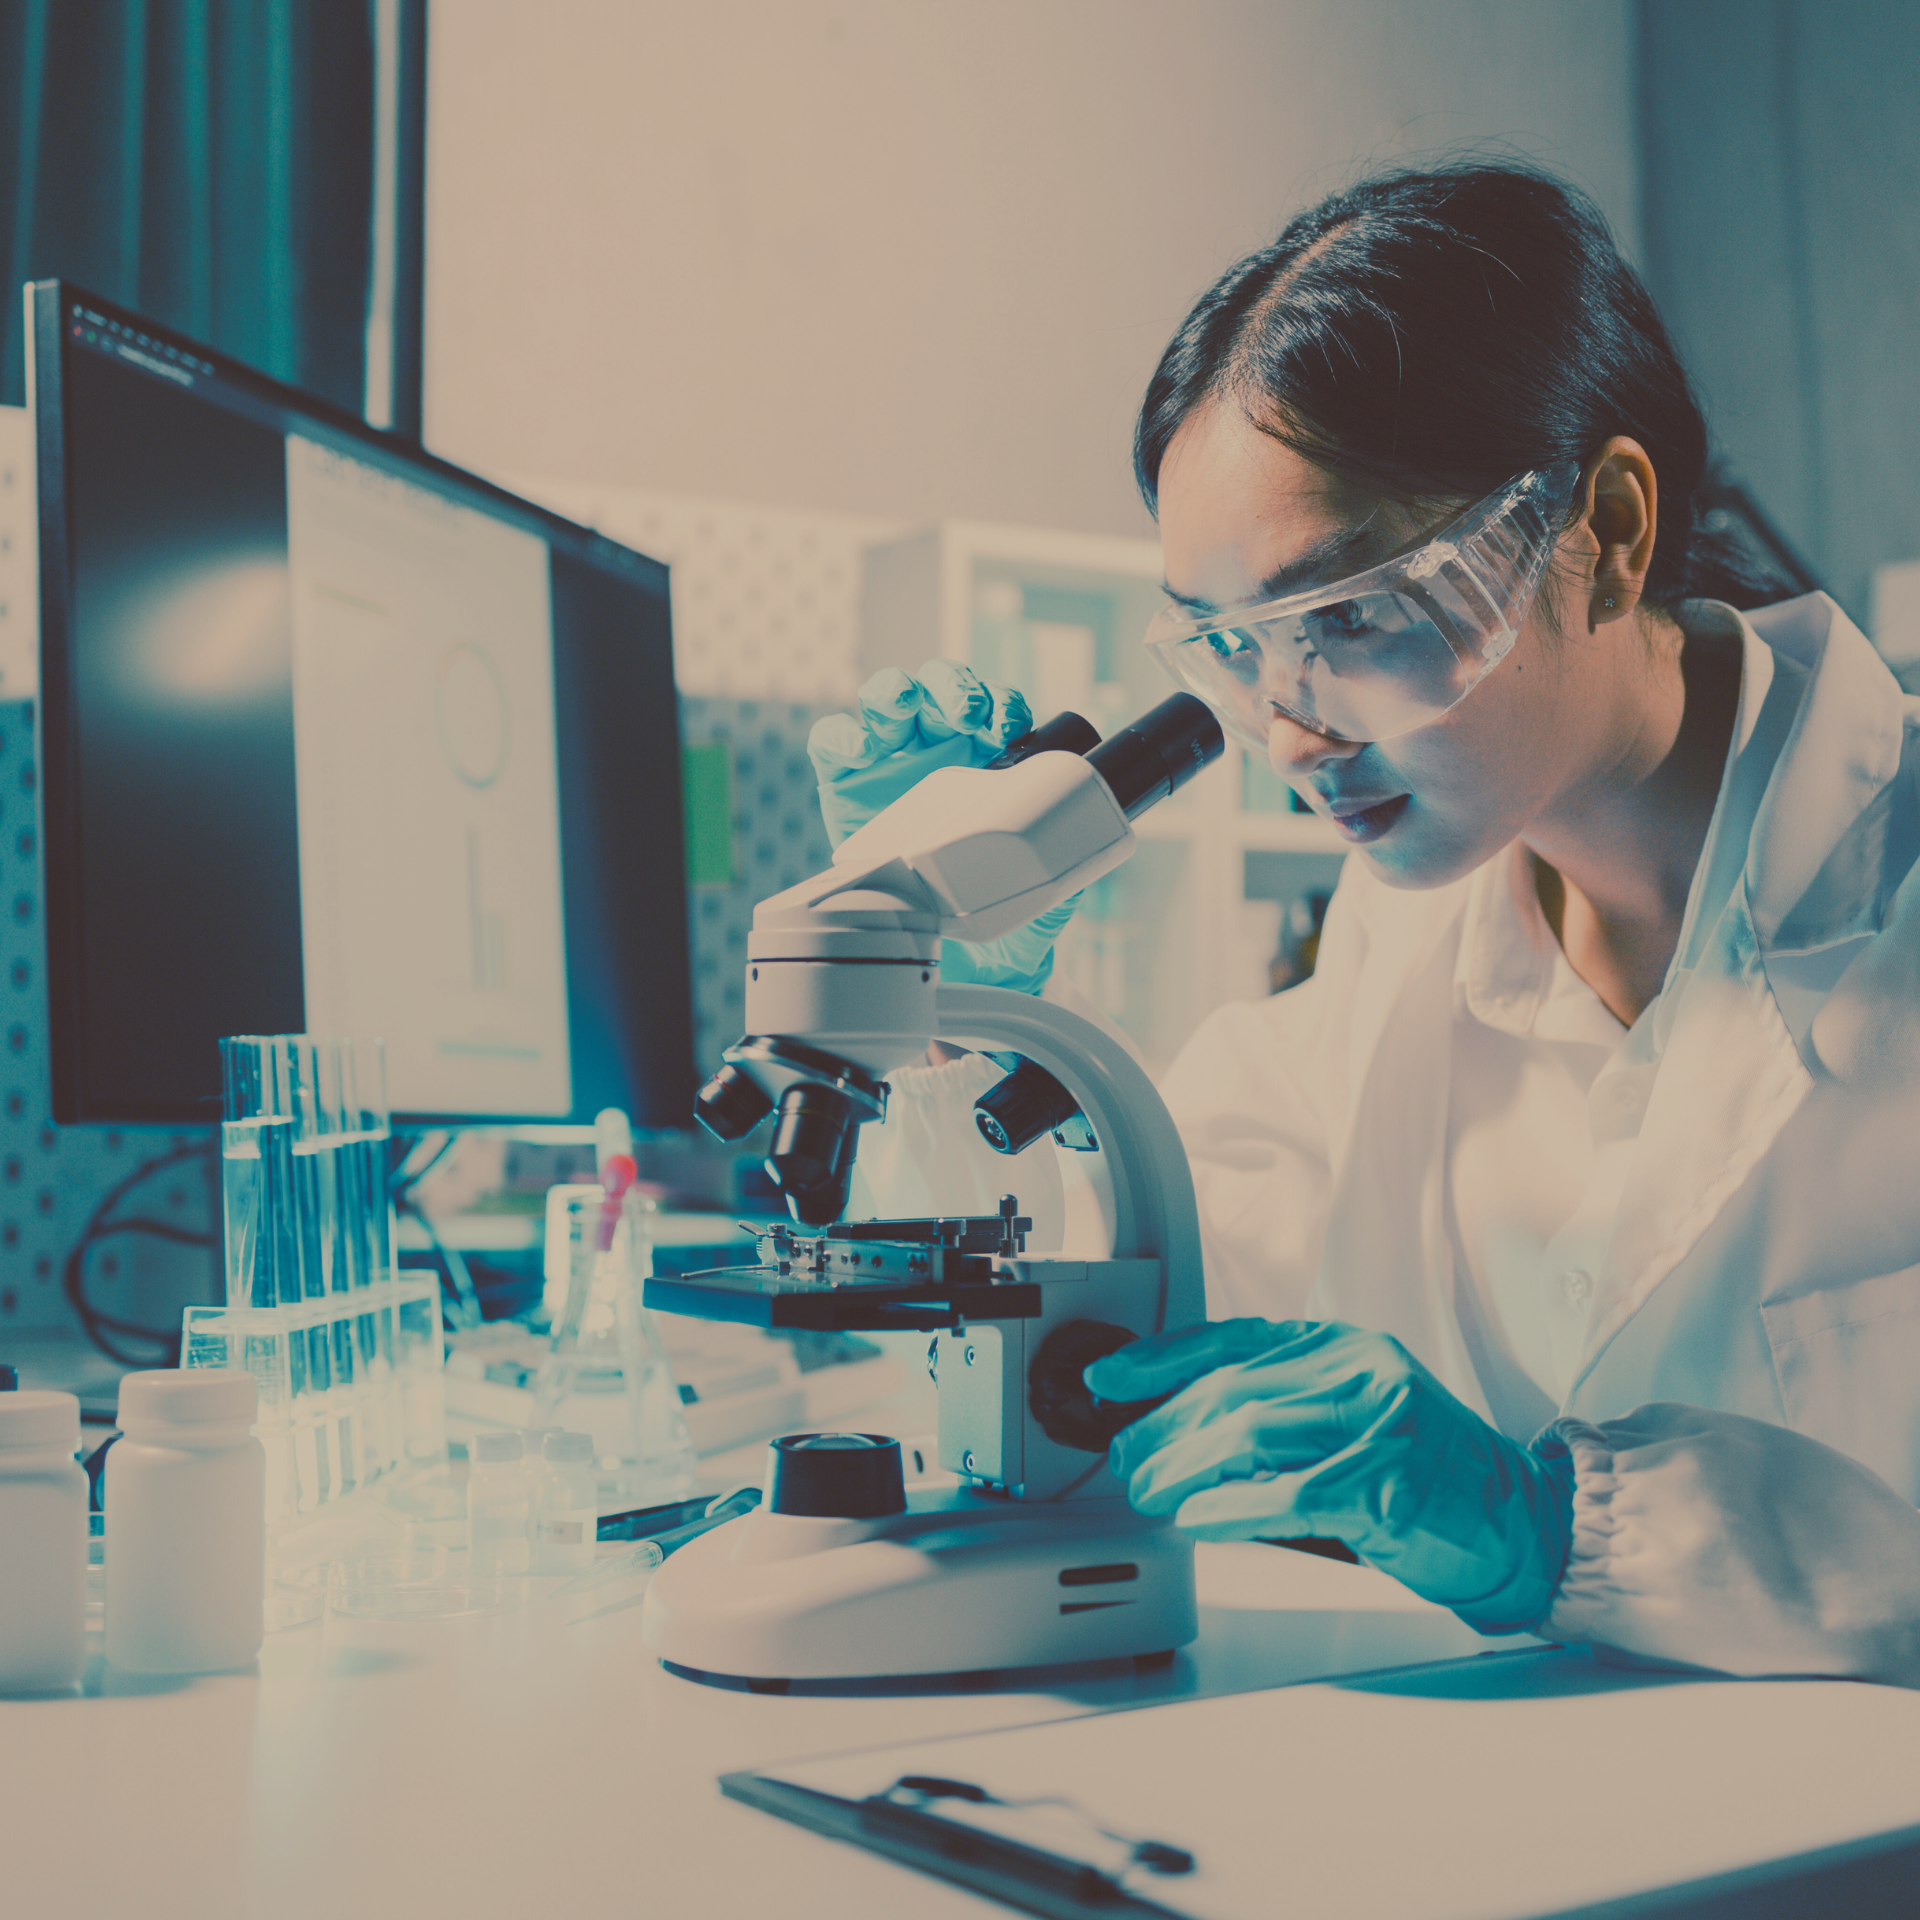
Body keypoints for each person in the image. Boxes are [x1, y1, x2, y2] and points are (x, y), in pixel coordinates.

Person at [810, 163, 1920, 1686]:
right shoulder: (1409, 929)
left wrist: (1556, 1525)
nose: (1288, 731)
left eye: (1346, 616)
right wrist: (961, 1011)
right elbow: (1114, 1316)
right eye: (1231, 647)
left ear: (1606, 519)